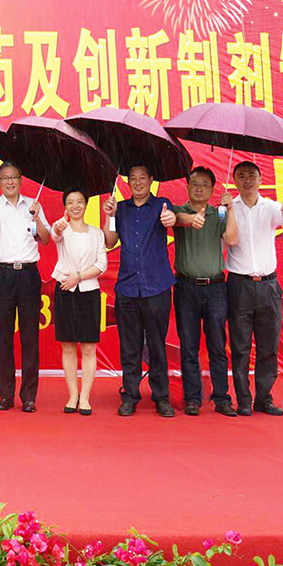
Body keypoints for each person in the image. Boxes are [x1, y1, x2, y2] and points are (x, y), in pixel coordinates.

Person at [102, 165, 177, 417]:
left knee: (157, 345)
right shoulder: (120, 209)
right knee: (129, 346)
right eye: (133, 178)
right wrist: (109, 215)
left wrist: (170, 218)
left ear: (151, 180)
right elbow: (110, 241)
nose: (137, 183)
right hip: (127, 288)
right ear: (127, 182)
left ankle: (161, 396)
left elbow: (171, 219)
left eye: (142, 178)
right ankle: (130, 395)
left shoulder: (162, 205)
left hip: (157, 286)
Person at [0, 161, 50, 413]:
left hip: (29, 275)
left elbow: (45, 239)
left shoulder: (33, 204)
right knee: (4, 336)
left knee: (30, 336)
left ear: (21, 180)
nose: (10, 182)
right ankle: (5, 394)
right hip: (3, 274)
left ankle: (29, 396)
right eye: (5, 178)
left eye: (14, 177)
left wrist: (37, 218)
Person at [225, 161, 283, 416]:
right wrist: (224, 210)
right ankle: (243, 399)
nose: (247, 180)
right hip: (239, 285)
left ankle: (263, 398)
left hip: (268, 286)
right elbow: (222, 235)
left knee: (268, 346)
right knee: (240, 346)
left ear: (261, 179)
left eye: (252, 175)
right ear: (235, 181)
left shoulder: (270, 207)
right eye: (241, 176)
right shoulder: (227, 208)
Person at [171, 166, 238, 417]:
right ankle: (192, 398)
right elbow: (175, 219)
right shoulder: (177, 211)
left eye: (204, 185)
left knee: (217, 346)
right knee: (189, 346)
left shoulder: (219, 214)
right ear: (187, 187)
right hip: (185, 287)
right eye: (194, 184)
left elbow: (232, 239)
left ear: (212, 190)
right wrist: (191, 219)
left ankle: (221, 397)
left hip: (216, 288)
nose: (199, 188)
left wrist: (230, 210)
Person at [50, 188, 107, 416]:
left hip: (89, 291)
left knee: (89, 347)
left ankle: (85, 396)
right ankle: (73, 394)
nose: (75, 206)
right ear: (65, 206)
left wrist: (79, 276)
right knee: (68, 345)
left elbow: (101, 264)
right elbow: (54, 233)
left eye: (80, 201)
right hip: (65, 290)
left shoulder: (96, 233)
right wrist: (59, 226)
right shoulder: (61, 228)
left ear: (86, 205)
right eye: (70, 202)